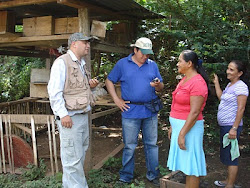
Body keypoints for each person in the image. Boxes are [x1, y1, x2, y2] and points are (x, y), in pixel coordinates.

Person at [105, 37, 164, 186]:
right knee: (130, 145)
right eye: (142, 53)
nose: (145, 57)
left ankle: (153, 174)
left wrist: (157, 86)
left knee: (151, 144)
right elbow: (109, 80)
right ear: (135, 50)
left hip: (150, 110)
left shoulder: (152, 65)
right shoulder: (123, 64)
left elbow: (161, 86)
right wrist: (116, 100)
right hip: (130, 111)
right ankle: (126, 175)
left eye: (148, 54)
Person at [48, 32, 99, 188]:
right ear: (74, 44)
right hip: (70, 119)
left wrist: (89, 86)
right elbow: (54, 91)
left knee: (78, 158)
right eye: (85, 43)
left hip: (81, 116)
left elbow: (73, 88)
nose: (88, 46)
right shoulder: (61, 62)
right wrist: (63, 115)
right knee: (72, 160)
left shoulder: (80, 63)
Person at [167, 50, 209, 188]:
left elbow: (195, 111)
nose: (177, 64)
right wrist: (173, 126)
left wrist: (182, 133)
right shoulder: (185, 79)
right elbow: (177, 105)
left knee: (191, 167)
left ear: (189, 63)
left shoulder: (198, 83)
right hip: (181, 127)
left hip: (190, 129)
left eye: (180, 61)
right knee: (186, 165)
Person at [213, 60, 249, 188]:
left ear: (240, 73)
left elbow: (241, 109)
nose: (228, 71)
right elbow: (221, 97)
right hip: (225, 126)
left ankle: (230, 185)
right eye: (228, 68)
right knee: (227, 155)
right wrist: (216, 83)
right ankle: (228, 181)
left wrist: (234, 128)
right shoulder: (230, 85)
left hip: (231, 127)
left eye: (232, 70)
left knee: (232, 156)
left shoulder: (241, 87)